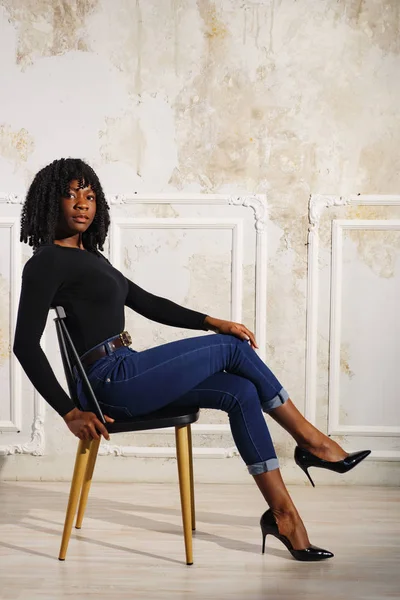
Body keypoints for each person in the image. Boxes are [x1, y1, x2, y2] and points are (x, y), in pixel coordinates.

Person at [13, 158, 370, 562]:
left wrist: (211, 321)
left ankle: (284, 516)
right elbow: (24, 345)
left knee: (240, 391)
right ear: (49, 202)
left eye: (90, 195)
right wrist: (68, 411)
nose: (82, 203)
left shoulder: (95, 260)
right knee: (233, 350)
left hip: (125, 367)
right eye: (71, 194)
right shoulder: (45, 263)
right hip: (108, 384)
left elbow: (148, 303)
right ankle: (312, 443)